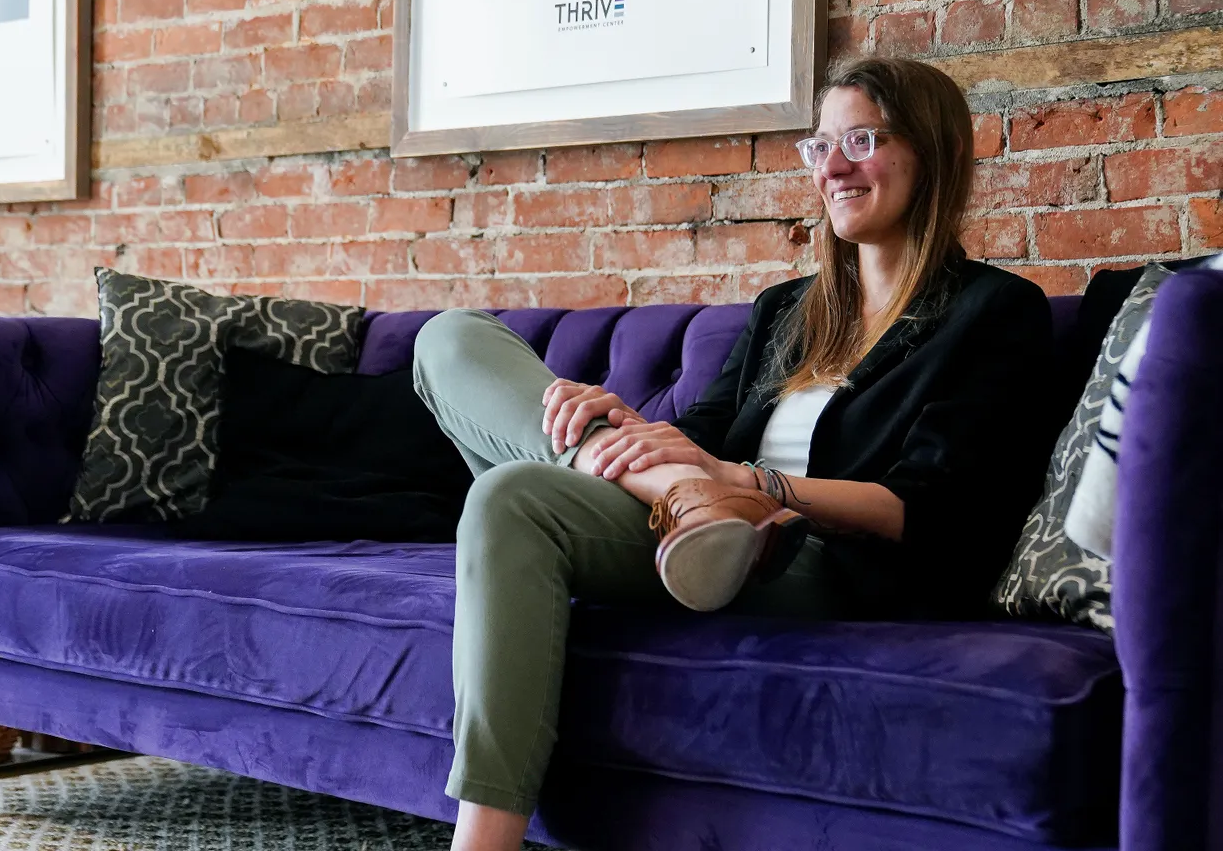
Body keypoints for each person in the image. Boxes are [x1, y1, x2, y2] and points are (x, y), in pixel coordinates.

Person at [411, 56, 1054, 851]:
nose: (835, 167)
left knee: (512, 497)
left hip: (815, 559)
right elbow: (705, 431)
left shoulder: (993, 312)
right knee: (451, 337)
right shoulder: (786, 307)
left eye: (860, 138)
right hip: (698, 517)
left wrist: (745, 481)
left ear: (931, 151)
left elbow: (929, 510)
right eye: (819, 146)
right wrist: (616, 423)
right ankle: (679, 498)